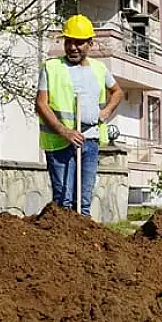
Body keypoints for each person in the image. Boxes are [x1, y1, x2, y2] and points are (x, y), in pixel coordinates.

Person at [35, 14, 124, 216]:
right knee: (63, 202)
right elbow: (41, 104)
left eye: (79, 42)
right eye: (69, 42)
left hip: (89, 141)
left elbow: (118, 92)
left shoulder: (99, 69)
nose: (73, 47)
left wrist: (105, 112)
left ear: (90, 44)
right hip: (60, 143)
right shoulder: (51, 67)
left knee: (83, 203)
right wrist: (64, 131)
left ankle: (81, 244)